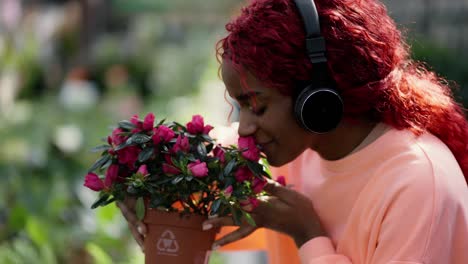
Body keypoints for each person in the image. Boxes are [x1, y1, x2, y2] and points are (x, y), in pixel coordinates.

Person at [118, 0, 468, 263]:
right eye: (242, 107)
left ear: (315, 99)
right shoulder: (298, 150)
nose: (246, 129)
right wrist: (140, 187)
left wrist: (308, 234)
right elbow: (192, 182)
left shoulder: (418, 185)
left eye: (259, 106)